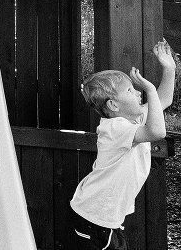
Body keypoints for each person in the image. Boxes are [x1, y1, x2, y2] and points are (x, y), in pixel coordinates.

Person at [70, 40, 176, 249]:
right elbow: (157, 132)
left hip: (104, 218)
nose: (138, 93)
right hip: (94, 218)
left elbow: (164, 100)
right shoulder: (115, 128)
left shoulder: (132, 120)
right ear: (113, 105)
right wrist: (150, 90)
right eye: (130, 91)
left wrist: (169, 68)